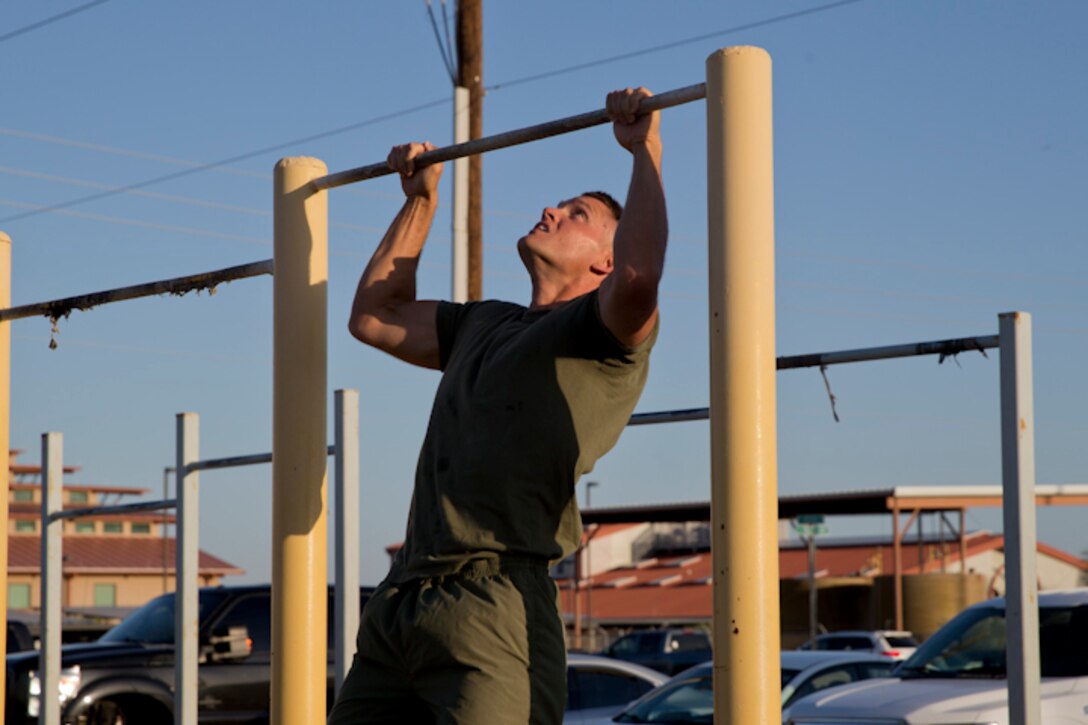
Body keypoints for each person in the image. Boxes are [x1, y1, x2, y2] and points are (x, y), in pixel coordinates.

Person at [328, 87, 667, 725]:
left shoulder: (599, 332)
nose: (551, 209)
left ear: (604, 260)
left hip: (494, 600)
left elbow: (641, 277)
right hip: (402, 601)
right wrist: (421, 202)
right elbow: (375, 316)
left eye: (578, 213)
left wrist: (644, 150)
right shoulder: (483, 322)